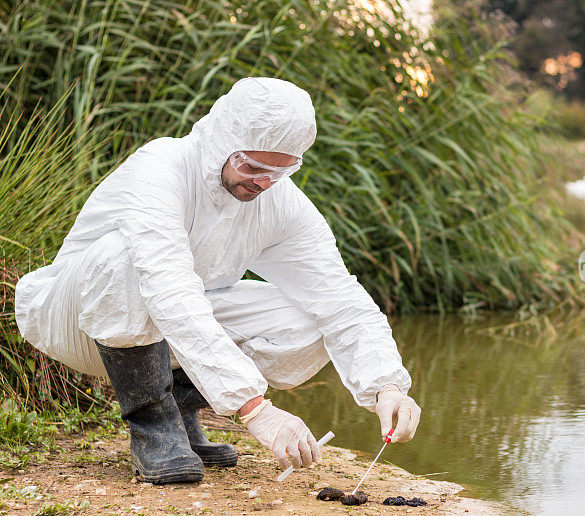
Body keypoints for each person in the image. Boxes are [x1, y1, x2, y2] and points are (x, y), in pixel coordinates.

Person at [14, 77, 421, 484]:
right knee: (124, 258)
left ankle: (182, 413)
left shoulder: (279, 201)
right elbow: (168, 287)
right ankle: (152, 425)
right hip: (78, 318)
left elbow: (338, 295)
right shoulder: (161, 168)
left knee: (312, 320)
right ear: (223, 139)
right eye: (252, 166)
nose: (262, 182)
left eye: (279, 170)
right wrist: (254, 408)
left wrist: (386, 386)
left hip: (170, 326)